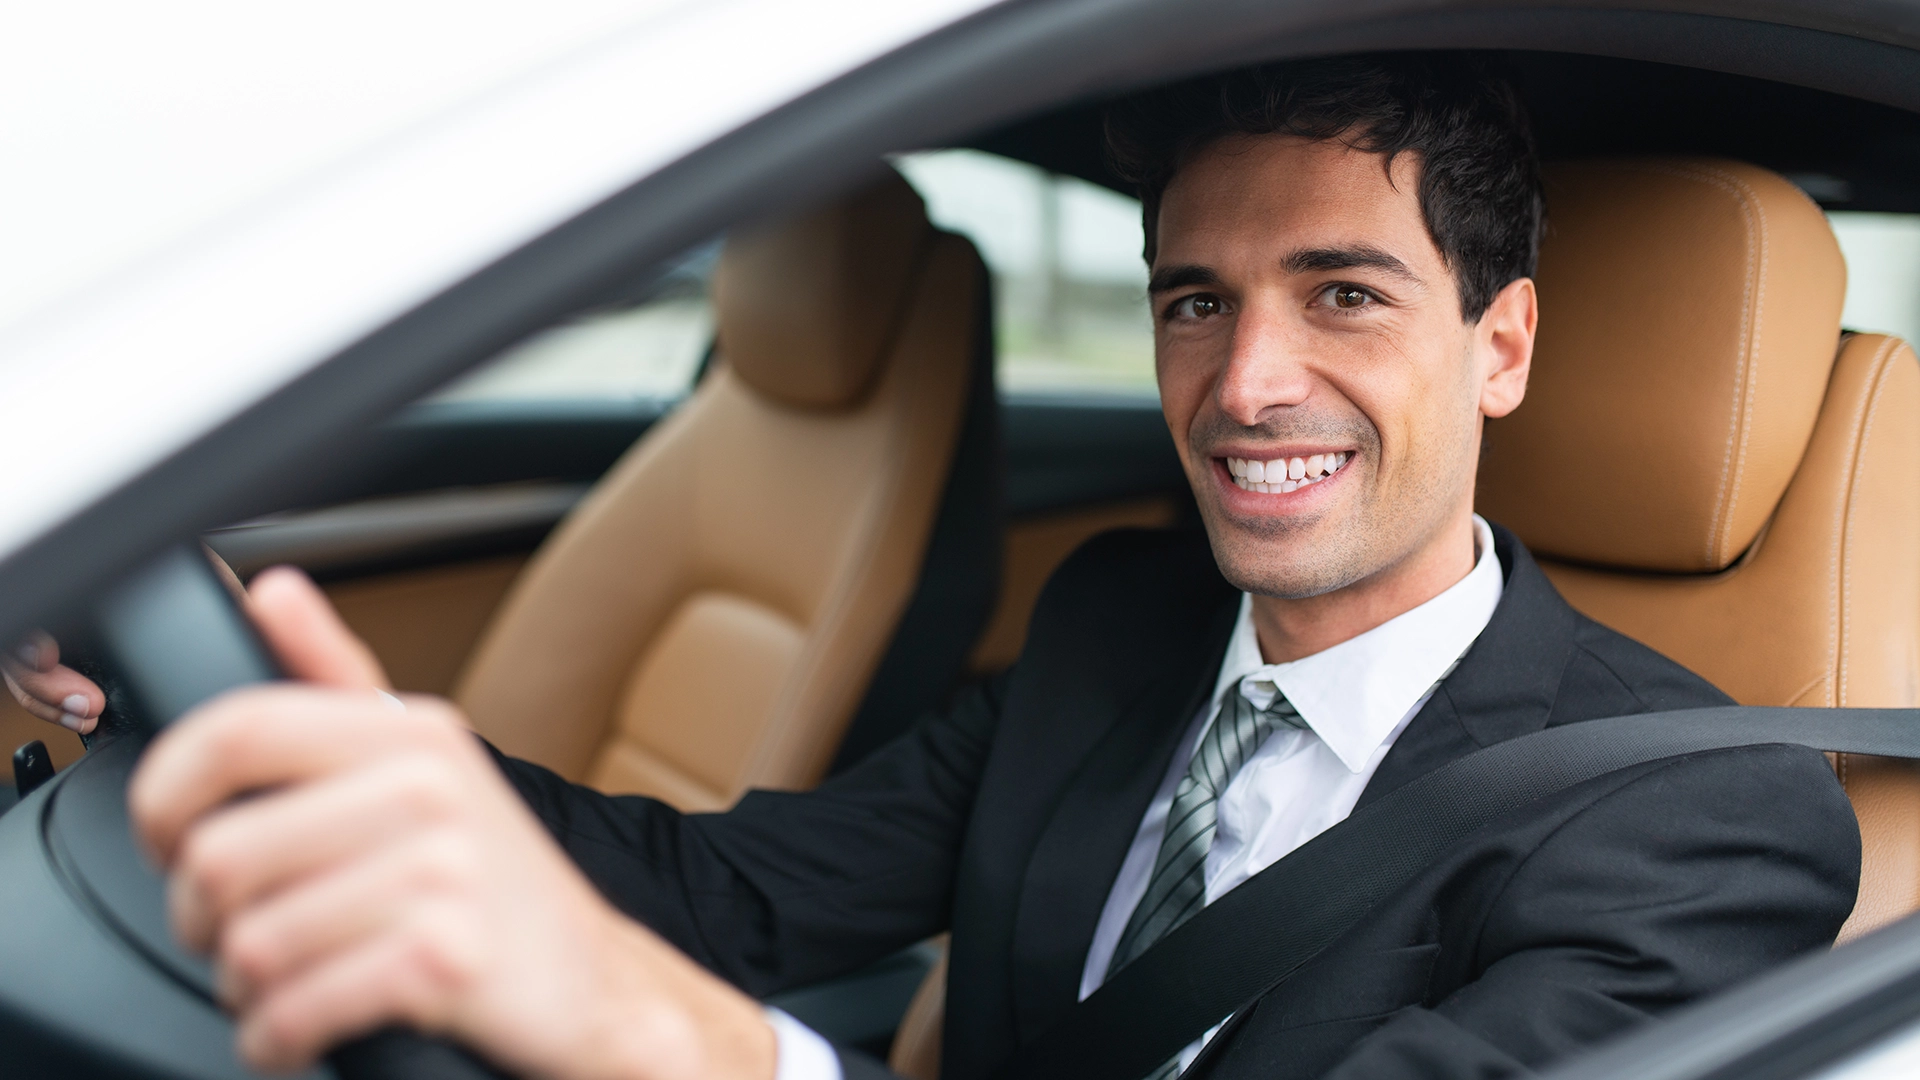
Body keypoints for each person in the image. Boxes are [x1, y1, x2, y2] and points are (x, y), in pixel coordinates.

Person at [2, 55, 1858, 1080]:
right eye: (1195, 302)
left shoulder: (1705, 821)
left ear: (1505, 348)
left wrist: (708, 1061)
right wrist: (311, 728)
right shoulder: (1117, 624)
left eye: (1345, 297)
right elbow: (725, 897)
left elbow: (706, 998)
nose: (1246, 380)